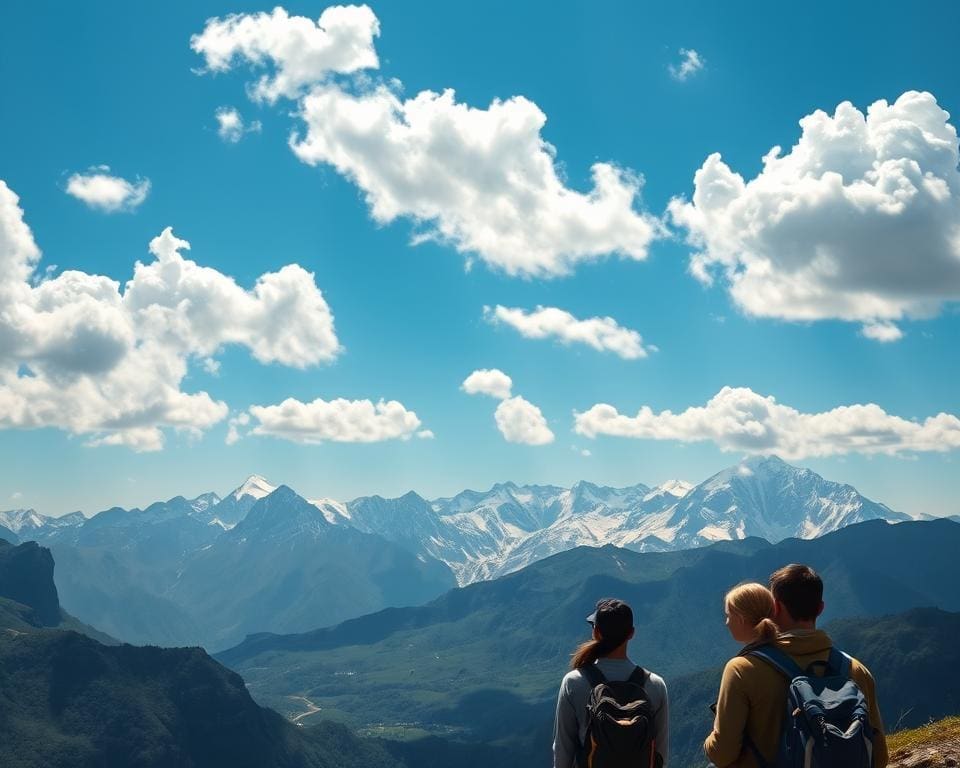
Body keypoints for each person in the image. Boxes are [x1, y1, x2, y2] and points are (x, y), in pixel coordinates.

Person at [705, 564, 888, 768]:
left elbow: (723, 754)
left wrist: (709, 743)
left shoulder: (742, 669)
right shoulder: (856, 670)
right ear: (820, 608)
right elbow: (879, 757)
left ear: (775, 608)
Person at [553, 597, 669, 768]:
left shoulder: (574, 683)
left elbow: (563, 751)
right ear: (631, 633)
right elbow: (661, 755)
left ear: (596, 632)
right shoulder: (655, 685)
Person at [723, 582, 779, 649]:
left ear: (741, 619)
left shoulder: (743, 659)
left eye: (728, 616)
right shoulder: (791, 646)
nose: (727, 623)